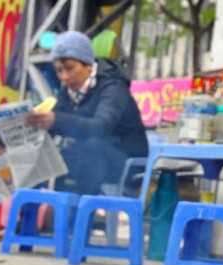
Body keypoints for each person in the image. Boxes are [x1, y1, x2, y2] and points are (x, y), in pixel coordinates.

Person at [26, 30, 148, 196]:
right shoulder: (67, 91)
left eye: (69, 68)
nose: (65, 76)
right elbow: (58, 120)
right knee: (42, 148)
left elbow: (101, 126)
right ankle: (28, 208)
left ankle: (81, 210)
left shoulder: (113, 87)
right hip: (87, 161)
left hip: (125, 161)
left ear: (88, 65)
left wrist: (56, 120)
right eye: (59, 70)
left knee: (92, 145)